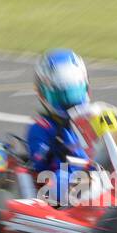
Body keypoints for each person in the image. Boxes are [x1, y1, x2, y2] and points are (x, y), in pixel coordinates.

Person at [26, 49, 91, 203]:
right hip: (62, 177)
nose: (69, 103)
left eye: (74, 93)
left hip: (95, 171)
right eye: (61, 96)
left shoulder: (91, 119)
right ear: (43, 94)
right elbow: (40, 166)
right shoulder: (42, 128)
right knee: (61, 180)